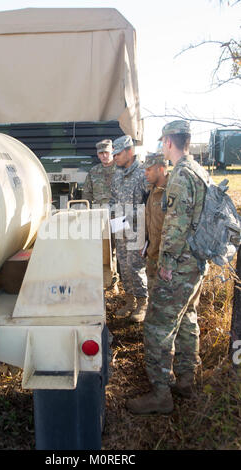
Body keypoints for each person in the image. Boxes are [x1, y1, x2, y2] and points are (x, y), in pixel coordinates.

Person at [126, 120, 210, 414]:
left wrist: (166, 264)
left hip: (179, 266)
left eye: (162, 141)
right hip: (197, 262)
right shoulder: (200, 171)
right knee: (188, 319)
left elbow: (176, 225)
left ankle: (161, 394)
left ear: (168, 143)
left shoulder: (180, 176)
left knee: (156, 327)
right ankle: (186, 380)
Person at [109, 135, 148, 322]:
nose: (114, 157)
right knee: (123, 267)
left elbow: (149, 205)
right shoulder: (117, 174)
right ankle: (130, 301)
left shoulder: (143, 173)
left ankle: (143, 304)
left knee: (136, 268)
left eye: (118, 153)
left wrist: (126, 214)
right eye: (113, 154)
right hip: (120, 228)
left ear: (130, 152)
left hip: (137, 229)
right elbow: (112, 198)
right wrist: (110, 212)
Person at [82, 139, 119, 293]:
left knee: (120, 249)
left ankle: (116, 281)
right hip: (99, 217)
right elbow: (87, 194)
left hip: (118, 216)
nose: (104, 156)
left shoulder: (121, 170)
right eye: (101, 153)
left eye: (107, 152)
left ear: (113, 152)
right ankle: (107, 281)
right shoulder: (93, 172)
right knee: (103, 249)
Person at [143, 152, 169, 295]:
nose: (145, 174)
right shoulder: (152, 191)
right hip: (152, 256)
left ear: (160, 169)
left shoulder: (172, 191)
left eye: (148, 170)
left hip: (167, 262)